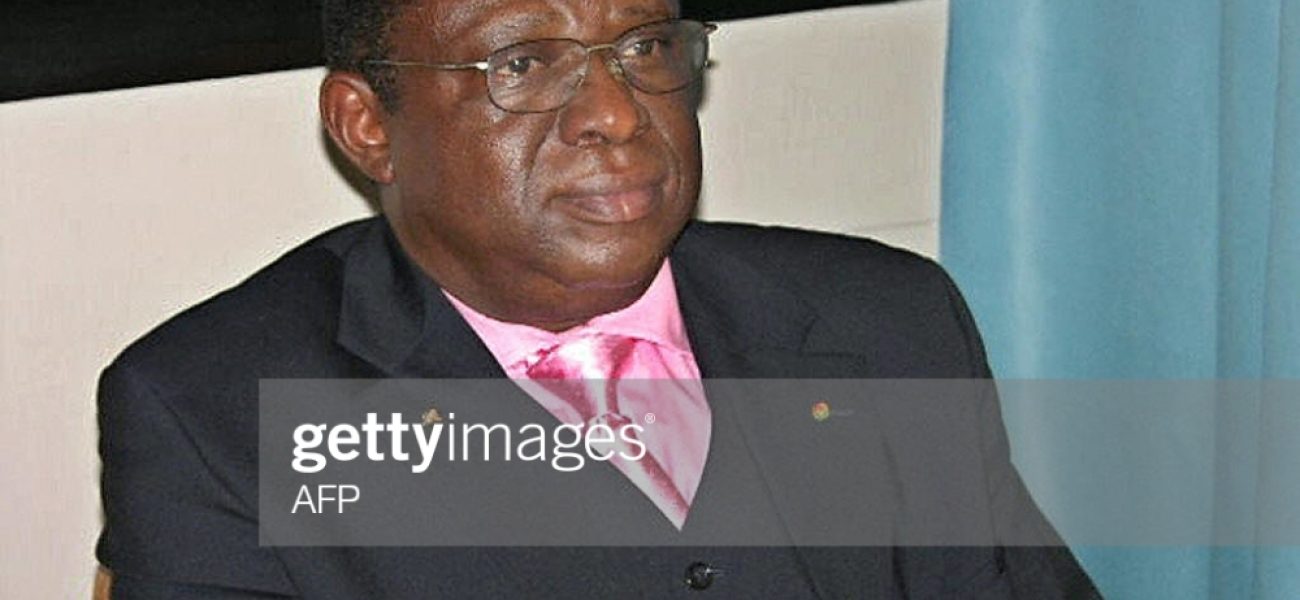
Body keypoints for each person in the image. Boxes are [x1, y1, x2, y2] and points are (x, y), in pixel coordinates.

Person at [94, 0, 1099, 597]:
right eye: (524, 63)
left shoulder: (882, 321)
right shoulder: (215, 410)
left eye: (647, 47)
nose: (618, 114)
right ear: (367, 127)